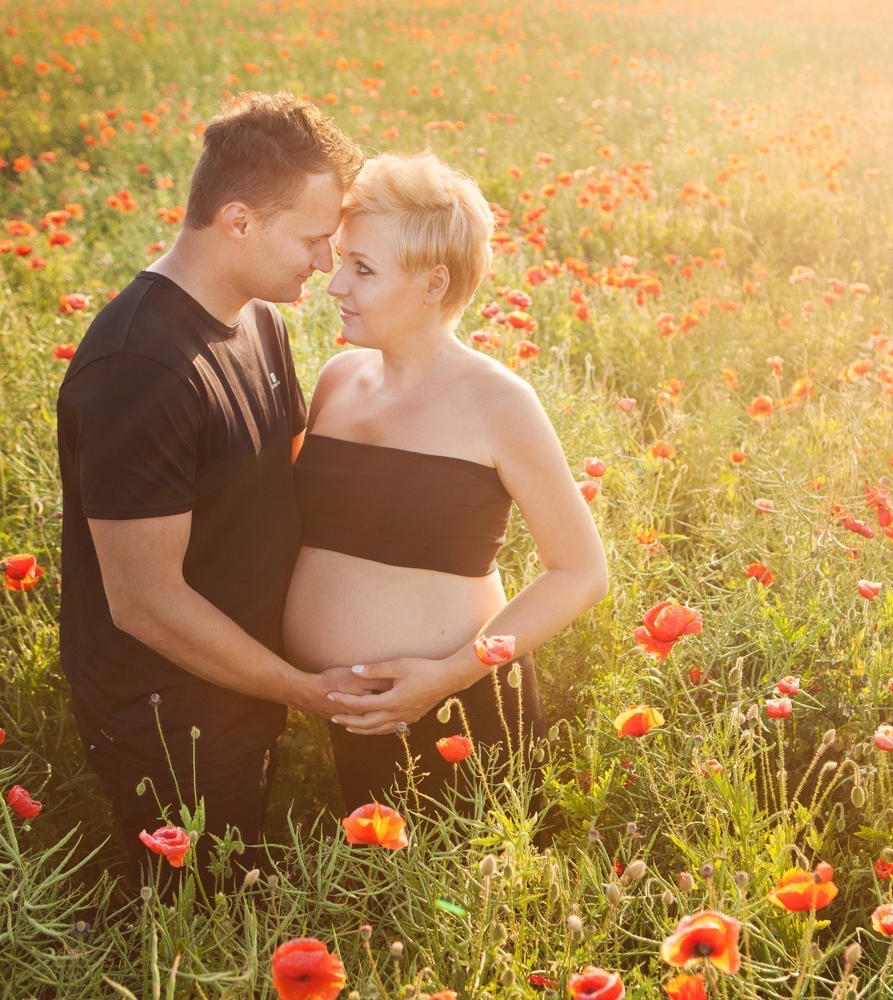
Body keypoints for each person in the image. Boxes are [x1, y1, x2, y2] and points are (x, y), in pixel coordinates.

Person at [56, 92, 367, 879]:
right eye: (312, 239)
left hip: (245, 684)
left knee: (243, 893)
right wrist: (302, 688)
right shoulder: (140, 368)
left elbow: (285, 480)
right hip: (169, 715)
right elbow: (145, 601)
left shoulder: (257, 319)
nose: (325, 263)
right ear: (238, 221)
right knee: (197, 924)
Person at [282, 153, 608, 811]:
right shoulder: (337, 380)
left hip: (457, 717)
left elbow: (580, 572)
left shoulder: (498, 403)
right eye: (341, 260)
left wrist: (446, 676)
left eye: (363, 269)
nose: (335, 284)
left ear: (434, 283)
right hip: (326, 720)